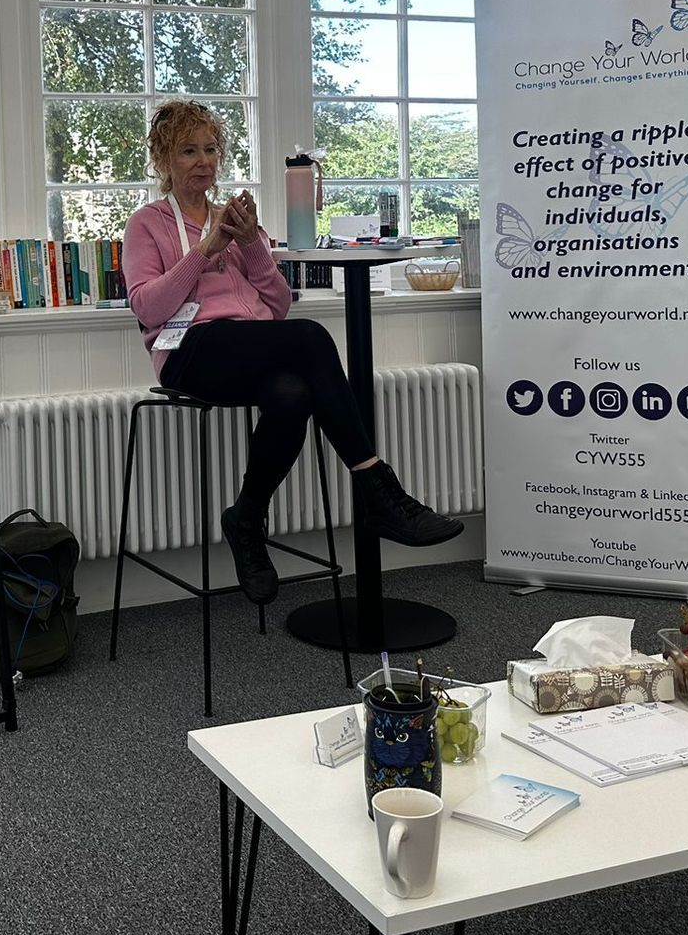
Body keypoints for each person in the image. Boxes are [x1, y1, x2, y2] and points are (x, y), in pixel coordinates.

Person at [122, 99, 461, 605]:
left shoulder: (235, 221)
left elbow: (277, 304)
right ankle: (377, 487)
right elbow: (148, 308)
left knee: (293, 391)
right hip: (191, 354)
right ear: (164, 161)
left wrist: (251, 246)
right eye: (188, 150)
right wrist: (204, 252)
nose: (203, 161)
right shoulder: (146, 224)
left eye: (211, 149)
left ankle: (245, 517)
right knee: (310, 337)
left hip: (252, 348)